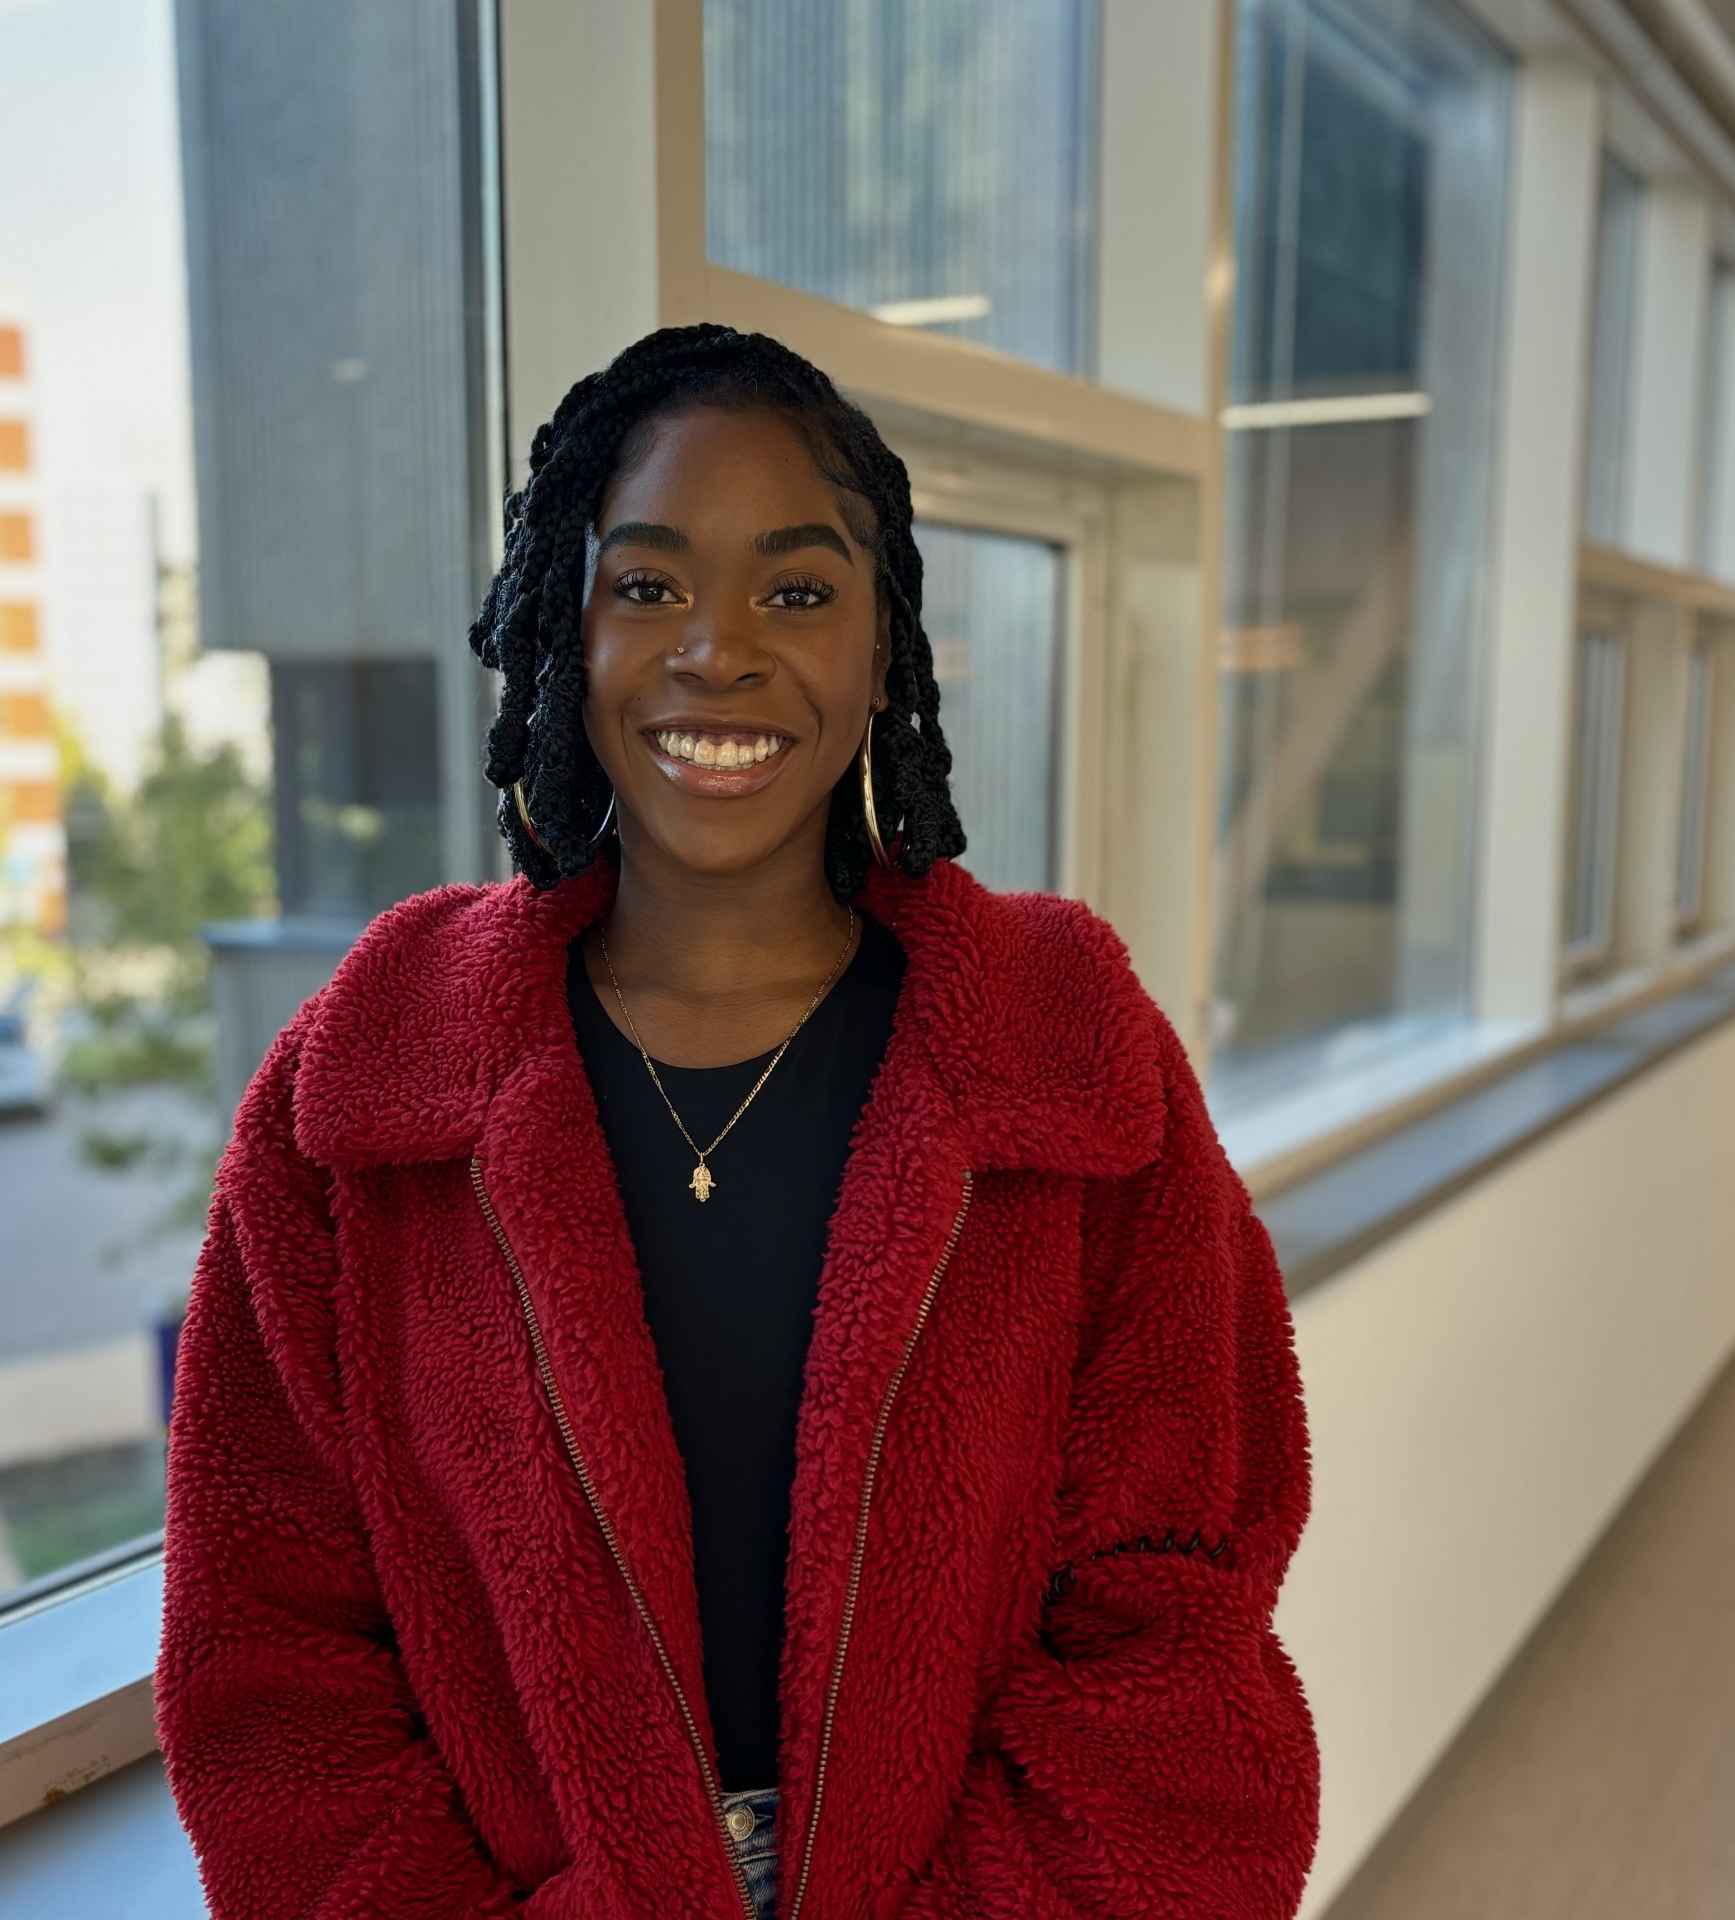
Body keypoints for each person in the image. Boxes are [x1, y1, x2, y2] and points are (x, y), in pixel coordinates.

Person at [155, 324, 1320, 1920]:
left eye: (795, 588)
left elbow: (1174, 1602)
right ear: (565, 630)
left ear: (882, 640)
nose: (716, 649)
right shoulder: (360, 1089)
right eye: (646, 586)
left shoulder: (1069, 1054)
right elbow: (270, 1645)